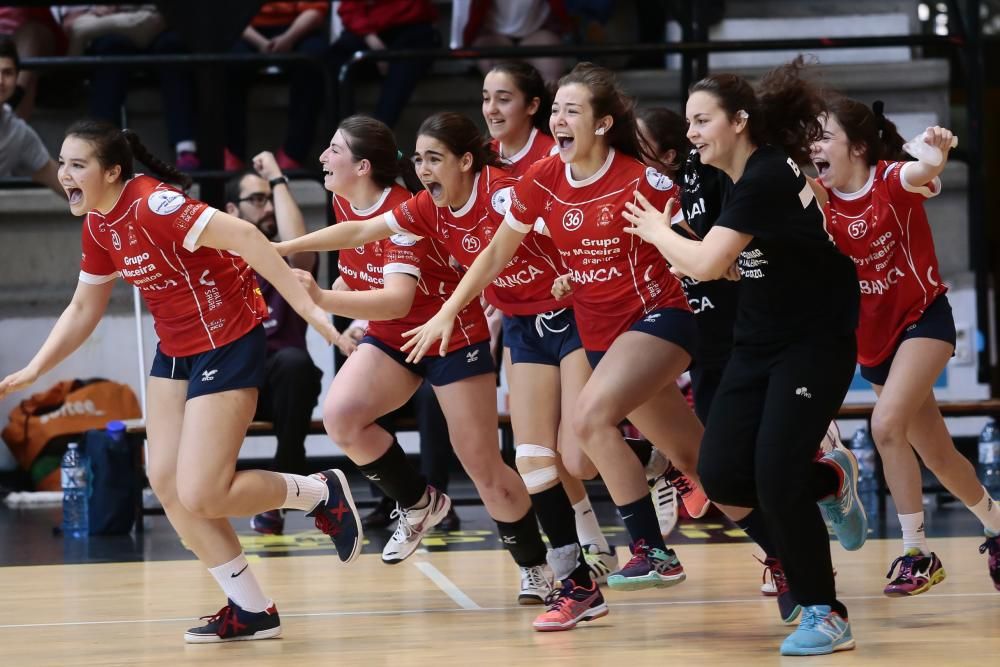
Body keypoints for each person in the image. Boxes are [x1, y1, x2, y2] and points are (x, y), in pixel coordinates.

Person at [0, 120, 360, 644]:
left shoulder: (153, 205)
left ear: (113, 172)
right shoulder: (100, 224)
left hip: (229, 340)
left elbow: (245, 236)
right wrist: (35, 369)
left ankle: (316, 491)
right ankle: (252, 609)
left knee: (203, 490)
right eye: (61, 162)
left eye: (78, 164)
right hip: (177, 350)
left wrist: (306, 305)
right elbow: (83, 308)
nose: (64, 173)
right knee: (168, 485)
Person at [279, 111, 617, 631]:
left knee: (487, 462)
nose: (322, 158)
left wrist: (322, 297)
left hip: (453, 334)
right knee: (341, 415)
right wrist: (284, 249)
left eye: (433, 158)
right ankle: (419, 502)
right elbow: (357, 237)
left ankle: (540, 567)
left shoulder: (459, 202)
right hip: (402, 337)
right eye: (418, 159)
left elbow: (396, 298)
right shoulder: (370, 201)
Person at [402, 64, 710, 600]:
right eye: (559, 109)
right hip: (560, 325)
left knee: (585, 441)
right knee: (549, 457)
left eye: (572, 110)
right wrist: (452, 307)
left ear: (602, 123)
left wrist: (698, 258)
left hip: (640, 317)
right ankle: (580, 571)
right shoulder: (543, 174)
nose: (560, 119)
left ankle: (642, 551)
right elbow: (498, 249)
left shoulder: (639, 177)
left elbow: (699, 238)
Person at [621, 60, 867, 656]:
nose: (693, 132)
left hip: (815, 343)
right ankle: (830, 479)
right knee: (727, 473)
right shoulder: (722, 178)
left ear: (739, 121)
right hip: (758, 340)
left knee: (776, 478)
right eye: (688, 122)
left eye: (702, 120)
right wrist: (699, 250)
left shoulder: (764, 176)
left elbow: (704, 263)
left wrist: (657, 231)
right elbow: (719, 261)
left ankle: (825, 613)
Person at [811, 97, 1000, 594]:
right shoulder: (818, 204)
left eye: (824, 134)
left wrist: (935, 153)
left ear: (857, 147)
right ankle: (997, 524)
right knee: (937, 454)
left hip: (924, 320)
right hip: (872, 341)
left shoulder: (889, 180)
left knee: (885, 424)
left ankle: (916, 551)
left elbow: (925, 170)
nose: (815, 144)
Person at [483, 59, 620, 581]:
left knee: (577, 455)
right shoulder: (483, 163)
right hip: (521, 317)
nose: (491, 109)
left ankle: (649, 457)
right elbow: (485, 243)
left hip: (575, 310)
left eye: (503, 98)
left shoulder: (559, 156)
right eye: (486, 97)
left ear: (532, 106)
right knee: (537, 454)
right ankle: (583, 547)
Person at [221, 152, 325, 535]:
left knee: (294, 362)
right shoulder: (219, 260)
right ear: (232, 209)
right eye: (257, 200)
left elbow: (299, 245)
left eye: (271, 199)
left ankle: (285, 481)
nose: (266, 208)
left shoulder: (284, 261)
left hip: (282, 385)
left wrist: (279, 178)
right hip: (233, 382)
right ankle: (209, 497)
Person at [53, 6, 200, 170]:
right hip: (111, 36)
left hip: (158, 27)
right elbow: (69, 22)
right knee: (110, 50)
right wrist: (95, 11)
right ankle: (104, 149)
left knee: (173, 48)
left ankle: (186, 148)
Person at [224, 2, 329, 171]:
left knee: (314, 59)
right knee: (228, 62)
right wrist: (261, 43)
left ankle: (294, 153)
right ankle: (232, 151)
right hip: (245, 30)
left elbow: (315, 11)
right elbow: (224, 12)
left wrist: (288, 38)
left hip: (296, 28)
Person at [329, 0, 440, 129]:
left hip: (410, 29)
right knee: (334, 58)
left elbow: (417, 10)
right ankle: (345, 135)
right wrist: (370, 38)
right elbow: (349, 9)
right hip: (368, 30)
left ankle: (375, 138)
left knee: (409, 56)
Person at [0, 36, 64, 197]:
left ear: (17, 78)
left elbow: (62, 183)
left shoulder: (18, 132)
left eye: (7, 73)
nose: (0, 81)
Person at [453, 0, 570, 83]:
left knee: (552, 80)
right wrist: (461, 48)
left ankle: (547, 115)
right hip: (492, 33)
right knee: (500, 83)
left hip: (536, 30)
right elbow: (462, 12)